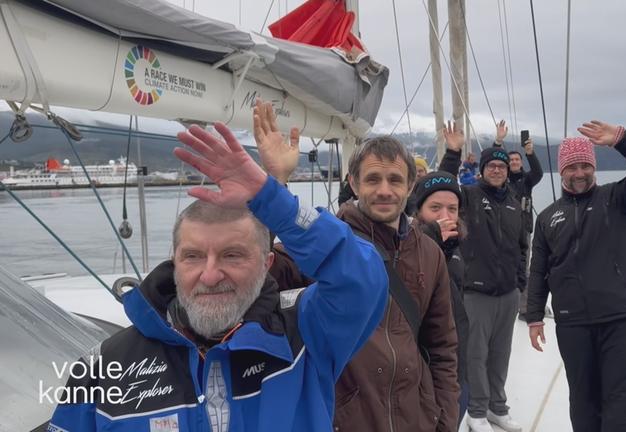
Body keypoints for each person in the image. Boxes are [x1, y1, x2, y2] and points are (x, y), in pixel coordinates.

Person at [48, 103, 388, 432]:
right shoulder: (106, 368)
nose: (210, 276)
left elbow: (362, 278)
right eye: (193, 256)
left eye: (232, 256)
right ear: (174, 260)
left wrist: (272, 198)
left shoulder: (305, 337)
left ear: (267, 263)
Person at [526, 120, 626, 432]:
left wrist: (621, 139)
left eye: (585, 166)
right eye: (571, 167)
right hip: (572, 325)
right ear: (561, 172)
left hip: (619, 321)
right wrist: (534, 315)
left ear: (594, 168)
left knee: (622, 405)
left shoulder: (618, 200)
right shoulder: (548, 217)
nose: (578, 173)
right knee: (583, 404)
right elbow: (539, 269)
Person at [334, 136, 459, 431]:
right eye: (372, 179)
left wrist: (446, 421)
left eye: (395, 180)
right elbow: (262, 274)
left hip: (415, 417)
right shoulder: (328, 244)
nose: (384, 191)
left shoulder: (429, 253)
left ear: (410, 185)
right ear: (354, 183)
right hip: (348, 420)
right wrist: (274, 184)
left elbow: (442, 346)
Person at [439, 122, 527, 432]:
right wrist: (452, 152)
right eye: (491, 166)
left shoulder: (515, 203)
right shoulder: (470, 196)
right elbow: (444, 186)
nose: (497, 170)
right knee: (475, 354)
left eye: (501, 166)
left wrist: (521, 281)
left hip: (508, 293)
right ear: (484, 169)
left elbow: (522, 245)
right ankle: (475, 411)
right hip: (476, 292)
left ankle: (496, 408)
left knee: (501, 353)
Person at [410, 171, 471, 425]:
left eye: (452, 208)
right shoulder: (406, 251)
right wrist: (430, 238)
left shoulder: (456, 250)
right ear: (418, 211)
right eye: (435, 207)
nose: (445, 216)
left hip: (456, 370)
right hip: (423, 378)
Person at [492, 120, 543, 319]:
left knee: (524, 268)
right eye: (510, 160)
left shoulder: (527, 180)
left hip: (523, 231)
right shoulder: (500, 181)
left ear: (520, 163)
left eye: (516, 160)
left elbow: (538, 172)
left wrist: (530, 152)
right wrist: (498, 141)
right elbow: (491, 163)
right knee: (501, 263)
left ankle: (524, 307)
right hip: (502, 230)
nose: (513, 162)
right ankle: (502, 301)